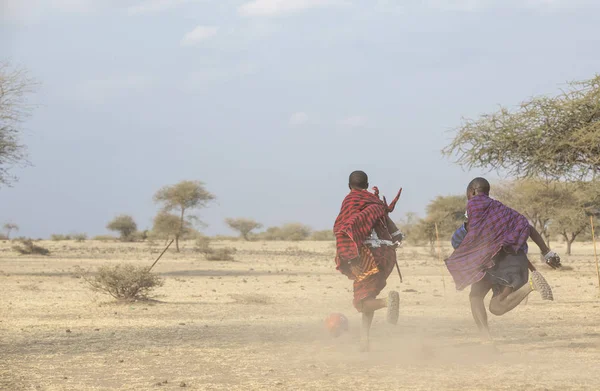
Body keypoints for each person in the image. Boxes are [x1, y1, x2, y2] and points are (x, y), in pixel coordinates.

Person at [446, 177, 561, 342]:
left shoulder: (475, 204)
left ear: (471, 192)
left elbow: (462, 239)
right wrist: (546, 253)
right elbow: (527, 227)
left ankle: (486, 338)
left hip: (490, 263)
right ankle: (530, 286)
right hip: (514, 264)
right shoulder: (502, 211)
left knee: (476, 297)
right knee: (496, 307)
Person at [333, 170, 403, 352]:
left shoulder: (350, 201)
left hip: (367, 255)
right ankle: (365, 340)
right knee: (368, 294)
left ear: (349, 186)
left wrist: (348, 256)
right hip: (387, 255)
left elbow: (344, 229)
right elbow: (397, 234)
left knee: (361, 302)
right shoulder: (376, 202)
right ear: (366, 185)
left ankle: (387, 302)